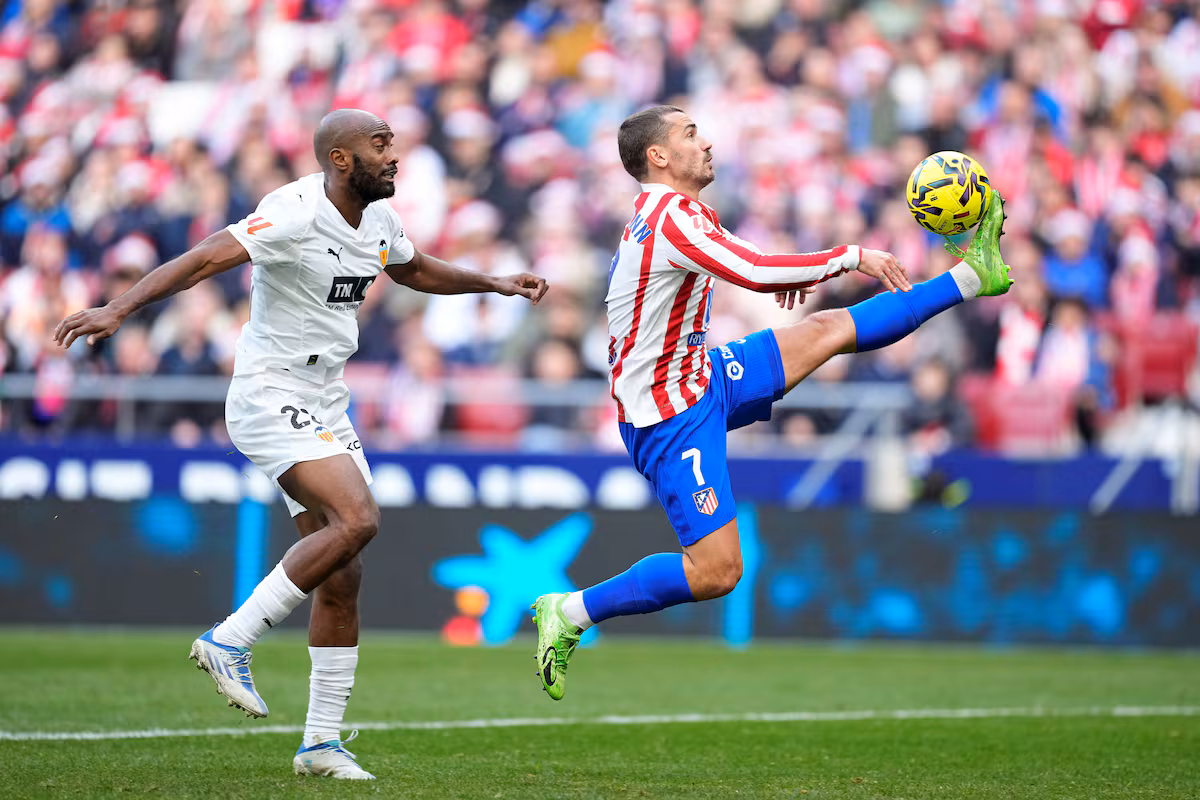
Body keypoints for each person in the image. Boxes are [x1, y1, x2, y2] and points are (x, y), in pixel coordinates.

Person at [54, 108, 549, 778]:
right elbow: (204, 257)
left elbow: (413, 270)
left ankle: (320, 744)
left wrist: (492, 281)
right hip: (268, 392)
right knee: (359, 519)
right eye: (380, 146)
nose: (394, 156)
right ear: (340, 159)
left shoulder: (377, 219)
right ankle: (231, 640)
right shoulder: (291, 211)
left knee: (343, 572)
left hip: (325, 398)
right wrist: (119, 308)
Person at [530, 105, 1011, 700]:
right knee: (717, 572)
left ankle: (972, 277)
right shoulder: (669, 217)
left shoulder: (676, 212)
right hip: (668, 418)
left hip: (701, 376)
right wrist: (854, 256)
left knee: (828, 328)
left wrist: (783, 276)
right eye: (689, 134)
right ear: (658, 157)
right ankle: (571, 611)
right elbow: (754, 270)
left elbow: (747, 265)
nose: (705, 142)